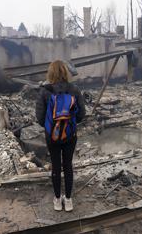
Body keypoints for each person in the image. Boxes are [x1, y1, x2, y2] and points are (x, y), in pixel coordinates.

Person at [36, 60, 85, 212]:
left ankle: (57, 200)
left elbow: (39, 117)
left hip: (52, 136)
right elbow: (82, 114)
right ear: (65, 72)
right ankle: (68, 200)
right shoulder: (74, 89)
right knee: (68, 165)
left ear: (50, 73)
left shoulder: (44, 91)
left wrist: (52, 128)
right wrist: (70, 125)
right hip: (70, 136)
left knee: (56, 167)